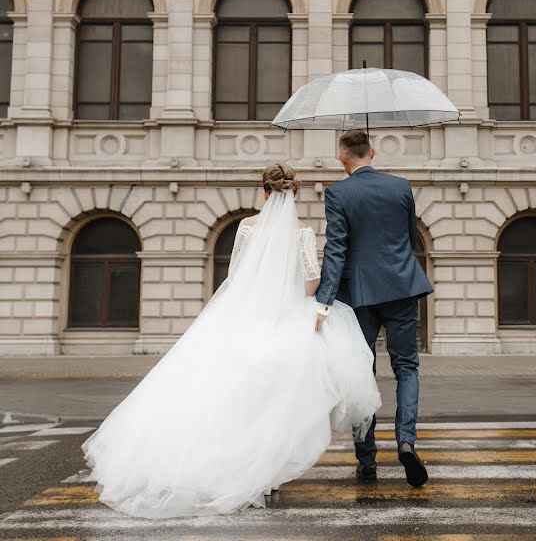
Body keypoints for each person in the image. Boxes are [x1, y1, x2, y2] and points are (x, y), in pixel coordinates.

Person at [81, 164, 381, 519]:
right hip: (287, 324)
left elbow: (236, 275)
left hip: (246, 321)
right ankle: (268, 470)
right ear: (294, 194)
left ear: (264, 192)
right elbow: (312, 282)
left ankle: (246, 468)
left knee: (240, 398)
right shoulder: (302, 232)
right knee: (278, 401)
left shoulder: (246, 227)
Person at [314, 129, 434, 487]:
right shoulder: (401, 187)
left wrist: (324, 301)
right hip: (402, 286)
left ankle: (366, 460)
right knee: (407, 368)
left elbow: (335, 250)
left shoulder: (338, 193)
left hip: (360, 295)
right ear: (373, 152)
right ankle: (406, 442)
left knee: (360, 372)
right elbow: (410, 238)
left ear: (342, 159)